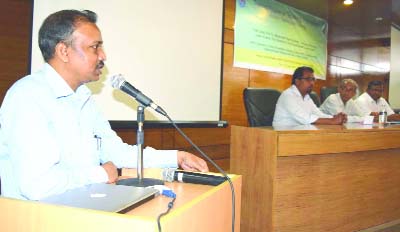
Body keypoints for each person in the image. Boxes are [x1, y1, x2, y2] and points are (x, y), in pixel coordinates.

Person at [0, 10, 208, 201]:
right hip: (34, 220)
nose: (103, 56)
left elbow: (116, 153)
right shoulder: (28, 97)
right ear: (63, 51)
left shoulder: (84, 98)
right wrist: (100, 173)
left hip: (80, 209)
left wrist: (176, 157)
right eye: (95, 47)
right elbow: (37, 185)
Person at [272, 66, 346, 127]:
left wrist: (335, 117)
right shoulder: (288, 95)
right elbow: (305, 118)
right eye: (308, 79)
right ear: (297, 81)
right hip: (281, 135)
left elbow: (318, 113)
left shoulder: (306, 97)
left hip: (300, 132)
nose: (312, 83)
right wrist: (332, 121)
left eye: (313, 79)